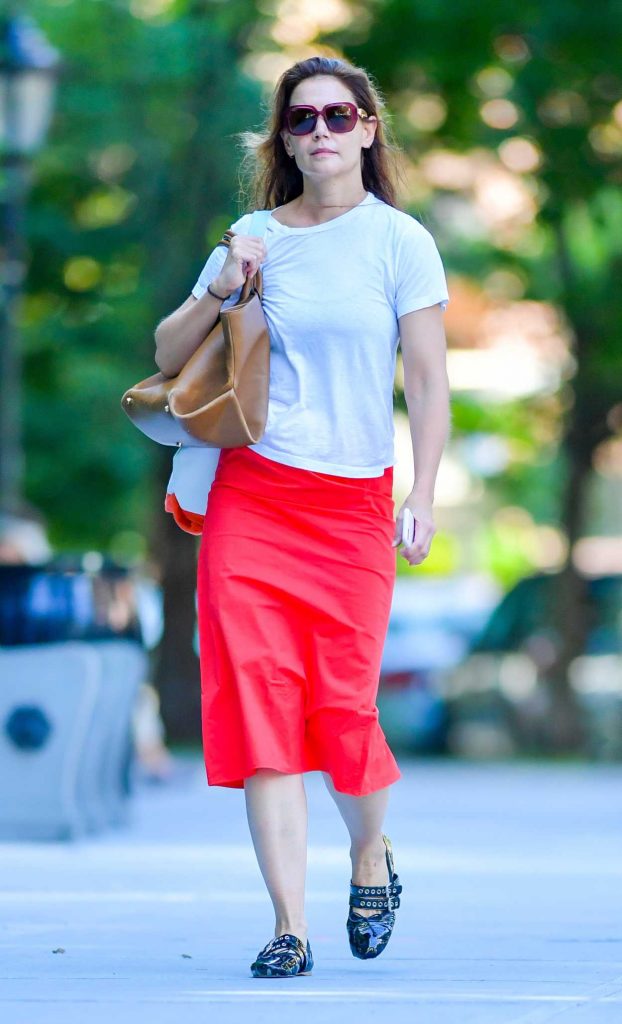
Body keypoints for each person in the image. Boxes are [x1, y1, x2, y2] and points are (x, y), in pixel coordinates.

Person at [154, 55, 450, 978]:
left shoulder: (400, 241)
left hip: (354, 501)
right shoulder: (253, 236)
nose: (318, 133)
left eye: (336, 116)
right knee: (262, 708)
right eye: (301, 121)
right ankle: (290, 926)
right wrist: (222, 285)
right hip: (254, 497)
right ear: (284, 138)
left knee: (344, 709)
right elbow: (166, 354)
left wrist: (425, 493)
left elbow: (431, 379)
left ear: (367, 128)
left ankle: (370, 853)